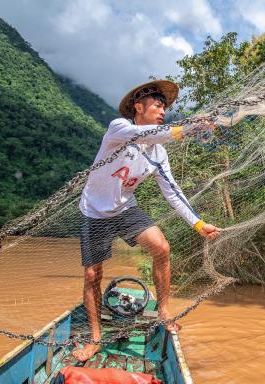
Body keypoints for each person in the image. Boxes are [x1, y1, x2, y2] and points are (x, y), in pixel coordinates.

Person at [73, 80, 220, 362]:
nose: (162, 110)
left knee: (161, 248)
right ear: (138, 108)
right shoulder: (119, 129)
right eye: (156, 105)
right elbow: (158, 133)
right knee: (93, 275)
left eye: (164, 107)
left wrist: (199, 224)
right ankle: (95, 339)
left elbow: (173, 193)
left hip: (126, 209)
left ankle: (164, 312)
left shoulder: (158, 153)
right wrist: (189, 128)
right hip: (94, 211)